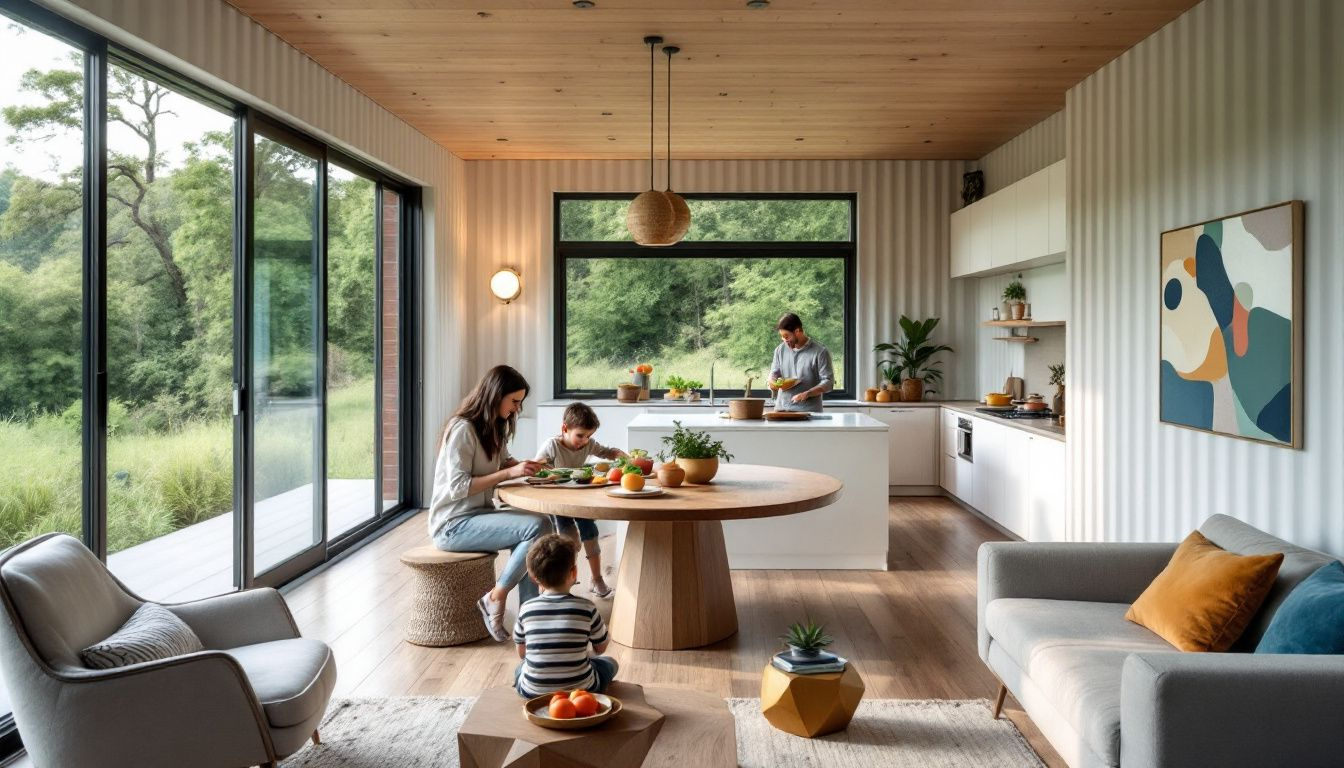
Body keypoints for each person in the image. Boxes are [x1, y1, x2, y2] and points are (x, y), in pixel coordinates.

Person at [430, 364, 550, 642]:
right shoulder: (462, 429)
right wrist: (509, 472)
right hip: (453, 525)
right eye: (514, 401)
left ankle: (529, 622)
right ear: (495, 396)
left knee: (535, 534)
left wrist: (526, 466)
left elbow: (505, 462)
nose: (517, 409)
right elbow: (458, 487)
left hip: (479, 515)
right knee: (538, 526)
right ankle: (497, 597)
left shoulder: (494, 427)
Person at [533, 403, 627, 599]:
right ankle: (564, 578)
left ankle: (597, 579)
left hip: (580, 495)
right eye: (580, 435)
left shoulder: (588, 444)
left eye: (588, 436)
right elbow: (537, 467)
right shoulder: (552, 446)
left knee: (590, 532)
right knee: (569, 539)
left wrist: (619, 454)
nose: (584, 441)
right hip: (559, 500)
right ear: (564, 429)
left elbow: (606, 452)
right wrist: (547, 471)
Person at [512, 533, 620, 698]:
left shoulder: (526, 609)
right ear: (574, 572)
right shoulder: (587, 607)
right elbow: (601, 648)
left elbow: (522, 653)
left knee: (520, 668)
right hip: (583, 690)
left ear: (533, 577)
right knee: (610, 663)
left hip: (533, 692)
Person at [768, 312, 835, 413]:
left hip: (809, 412)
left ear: (797, 331)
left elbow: (829, 382)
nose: (784, 340)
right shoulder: (779, 350)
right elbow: (774, 374)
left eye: (786, 336)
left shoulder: (820, 352)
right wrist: (772, 381)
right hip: (781, 410)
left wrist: (807, 394)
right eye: (781, 336)